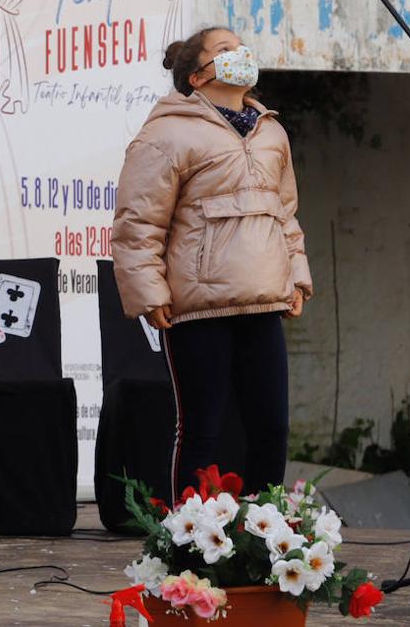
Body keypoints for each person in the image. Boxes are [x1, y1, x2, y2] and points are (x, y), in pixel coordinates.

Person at [111, 27, 312, 503]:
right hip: (198, 308)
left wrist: (297, 276)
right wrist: (150, 292)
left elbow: (285, 213)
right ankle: (188, 537)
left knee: (270, 426)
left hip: (263, 301)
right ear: (198, 76)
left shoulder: (272, 132)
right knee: (204, 426)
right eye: (225, 50)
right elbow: (138, 221)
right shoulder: (166, 134)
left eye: (240, 47)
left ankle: (266, 534)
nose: (239, 54)